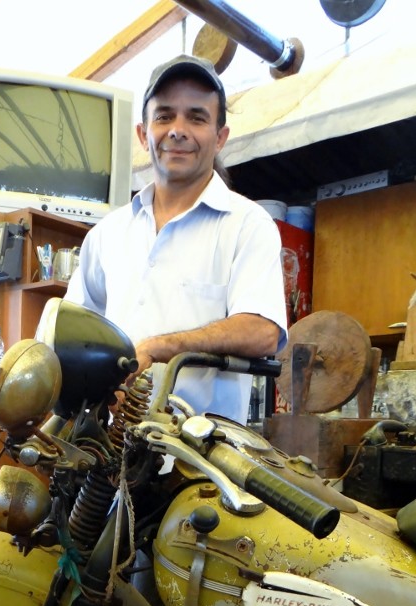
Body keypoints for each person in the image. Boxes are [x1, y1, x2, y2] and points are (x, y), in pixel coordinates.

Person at [65, 53, 288, 424]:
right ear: (142, 133)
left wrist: (160, 347)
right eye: (164, 115)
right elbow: (73, 331)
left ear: (220, 138)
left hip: (200, 465)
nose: (178, 129)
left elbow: (261, 330)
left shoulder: (248, 225)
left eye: (196, 117)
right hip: (105, 457)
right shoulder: (107, 233)